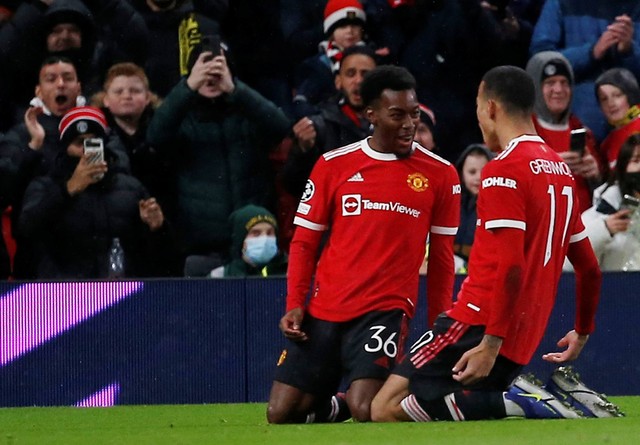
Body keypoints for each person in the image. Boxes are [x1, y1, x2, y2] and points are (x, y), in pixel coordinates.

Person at [370, 65, 613, 423]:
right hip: (525, 335)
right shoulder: (560, 173)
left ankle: (525, 401)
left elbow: (511, 265)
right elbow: (589, 267)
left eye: (479, 110)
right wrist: (583, 330)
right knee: (441, 413)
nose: (480, 122)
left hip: (478, 322)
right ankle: (525, 400)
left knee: (384, 408)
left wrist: (491, 342)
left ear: (492, 108)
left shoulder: (504, 168)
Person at [266, 65, 461, 424]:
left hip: (384, 309)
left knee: (366, 408)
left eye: (414, 114)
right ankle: (333, 404)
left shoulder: (441, 174)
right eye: (397, 115)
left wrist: (439, 325)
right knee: (280, 414)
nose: (409, 124)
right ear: (371, 115)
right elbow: (305, 242)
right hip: (327, 307)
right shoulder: (333, 165)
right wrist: (295, 303)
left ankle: (355, 401)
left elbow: (443, 259)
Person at [146, 42, 291, 267]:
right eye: (204, 70)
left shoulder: (246, 109)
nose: (211, 78)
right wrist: (188, 86)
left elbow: (281, 127)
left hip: (251, 241)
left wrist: (236, 89)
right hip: (201, 244)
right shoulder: (182, 115)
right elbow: (155, 137)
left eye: (218, 70)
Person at [18, 106, 177, 279]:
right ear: (66, 147)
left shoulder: (130, 188)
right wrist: (67, 190)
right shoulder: (45, 185)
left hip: (120, 292)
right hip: (64, 294)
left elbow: (162, 257)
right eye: (79, 143)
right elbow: (26, 230)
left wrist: (158, 228)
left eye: (93, 142)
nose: (87, 151)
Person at [0, 55, 84, 278]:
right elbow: (3, 192)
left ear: (79, 87)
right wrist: (34, 146)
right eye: (51, 78)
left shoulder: (101, 131)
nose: (60, 84)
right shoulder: (21, 136)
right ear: (38, 91)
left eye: (67, 78)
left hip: (90, 257)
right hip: (38, 262)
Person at [529, 0, 640, 143]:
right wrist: (591, 52)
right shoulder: (560, 3)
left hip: (630, 129)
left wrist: (628, 50)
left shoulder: (635, 6)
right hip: (576, 122)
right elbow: (540, 59)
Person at [282, 45, 377, 199]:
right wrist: (304, 151)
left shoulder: (391, 127)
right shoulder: (320, 126)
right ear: (338, 81)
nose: (358, 80)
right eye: (350, 74)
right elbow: (293, 186)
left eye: (366, 74)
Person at [91, 62, 175, 214]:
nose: (127, 96)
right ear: (106, 99)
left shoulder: (163, 129)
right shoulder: (95, 133)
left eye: (135, 91)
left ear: (148, 97)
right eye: (118, 91)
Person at [526, 51, 603, 213]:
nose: (559, 89)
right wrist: (549, 167)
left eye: (564, 82)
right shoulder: (519, 131)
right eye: (550, 82)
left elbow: (603, 193)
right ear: (535, 88)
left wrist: (596, 175)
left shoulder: (582, 132)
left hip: (584, 227)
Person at [292, 0, 376, 119]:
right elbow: (302, 103)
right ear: (331, 32)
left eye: (355, 25)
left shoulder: (376, 60)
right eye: (342, 26)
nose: (350, 31)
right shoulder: (318, 65)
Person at [581, 133, 640, 271]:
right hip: (613, 289)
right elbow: (570, 263)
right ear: (623, 167)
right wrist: (603, 229)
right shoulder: (599, 214)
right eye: (636, 160)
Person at [208, 204, 287, 278]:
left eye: (269, 233)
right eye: (256, 233)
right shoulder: (220, 276)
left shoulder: (291, 273)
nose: (265, 238)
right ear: (241, 240)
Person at [453, 143, 494, 271]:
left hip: (483, 273)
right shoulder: (451, 202)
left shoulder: (498, 206)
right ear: (461, 173)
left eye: (484, 171)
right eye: (472, 172)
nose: (478, 177)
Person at [595, 67, 640, 170]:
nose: (611, 104)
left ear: (630, 95)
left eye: (617, 95)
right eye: (604, 99)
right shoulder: (606, 145)